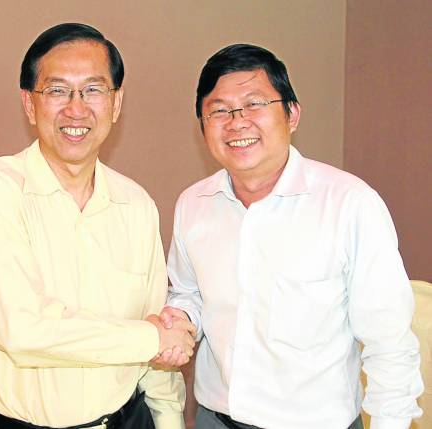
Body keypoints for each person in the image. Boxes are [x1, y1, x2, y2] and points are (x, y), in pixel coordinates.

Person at [159, 44, 424, 429]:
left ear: (292, 114)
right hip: (215, 420)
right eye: (219, 110)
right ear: (202, 125)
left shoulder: (349, 204)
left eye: (254, 104)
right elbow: (190, 292)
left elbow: (390, 342)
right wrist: (180, 318)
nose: (237, 122)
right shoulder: (193, 204)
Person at [0, 23, 195, 429]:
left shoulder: (136, 204)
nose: (76, 108)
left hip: (127, 419)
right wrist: (151, 339)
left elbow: (156, 327)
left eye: (93, 90)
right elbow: (20, 329)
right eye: (57, 90)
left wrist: (169, 418)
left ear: (116, 103)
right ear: (29, 103)